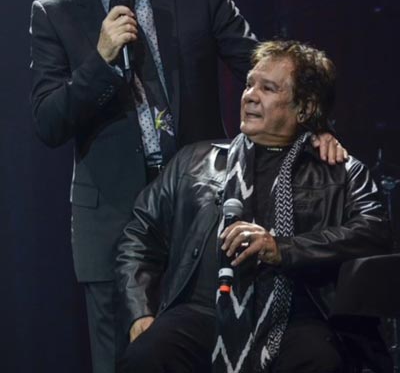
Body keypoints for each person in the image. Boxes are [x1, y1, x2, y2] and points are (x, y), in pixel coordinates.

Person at [30, 0, 345, 373]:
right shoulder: (54, 13)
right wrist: (100, 60)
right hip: (110, 221)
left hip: (199, 213)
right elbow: (48, 122)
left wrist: (314, 123)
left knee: (205, 354)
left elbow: (260, 65)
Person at [116, 40, 392, 373]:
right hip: (202, 312)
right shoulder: (194, 160)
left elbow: (374, 231)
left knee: (322, 361)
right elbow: (139, 233)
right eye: (249, 84)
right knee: (146, 356)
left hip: (294, 318)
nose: (249, 95)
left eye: (268, 88)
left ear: (304, 108)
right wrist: (140, 312)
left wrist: (283, 248)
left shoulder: (341, 170)